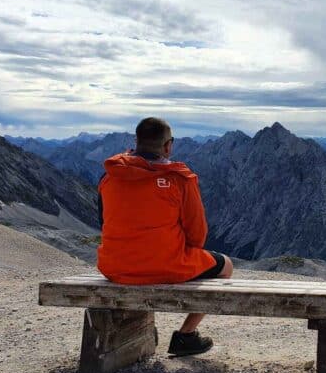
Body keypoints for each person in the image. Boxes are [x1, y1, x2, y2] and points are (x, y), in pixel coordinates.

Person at [96, 117, 233, 356]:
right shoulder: (179, 179)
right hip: (166, 264)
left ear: (136, 141)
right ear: (168, 146)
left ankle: (138, 327)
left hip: (114, 266)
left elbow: (104, 222)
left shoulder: (110, 176)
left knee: (140, 267)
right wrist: (183, 250)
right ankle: (186, 335)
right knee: (226, 265)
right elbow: (197, 233)